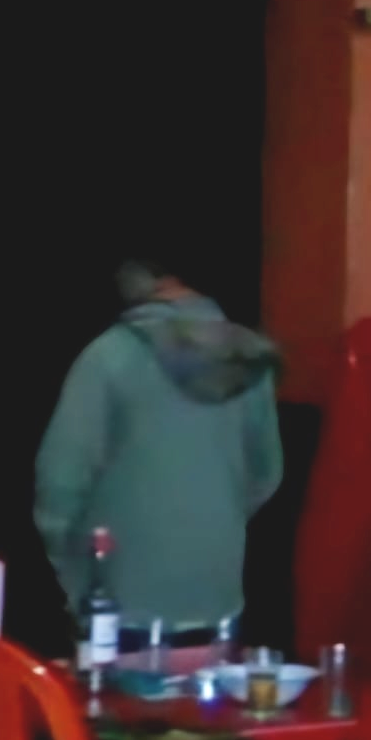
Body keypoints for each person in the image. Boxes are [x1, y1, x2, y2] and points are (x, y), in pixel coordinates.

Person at [35, 245, 283, 636]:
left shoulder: (108, 357)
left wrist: (73, 574)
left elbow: (60, 480)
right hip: (218, 597)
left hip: (119, 602)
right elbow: (266, 474)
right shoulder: (246, 358)